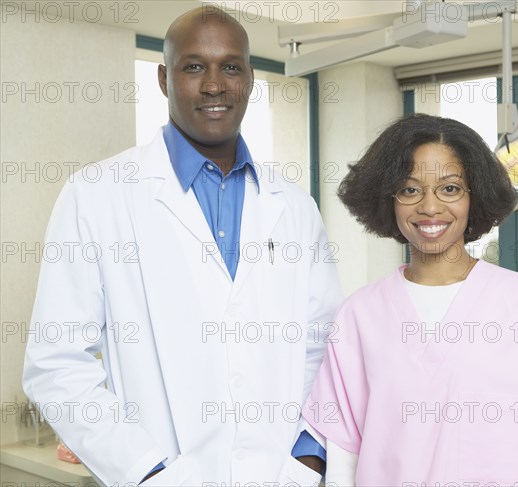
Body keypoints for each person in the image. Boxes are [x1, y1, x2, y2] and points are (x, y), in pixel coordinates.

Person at [22, 7, 342, 486]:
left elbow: (325, 346)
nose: (214, 85)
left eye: (231, 67)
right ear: (162, 78)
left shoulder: (294, 207)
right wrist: (146, 471)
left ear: (251, 79)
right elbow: (56, 363)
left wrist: (308, 456)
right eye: (194, 66)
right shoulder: (96, 195)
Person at [302, 114, 518, 486]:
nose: (429, 207)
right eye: (410, 190)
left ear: (474, 195)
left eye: (450, 189)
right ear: (388, 198)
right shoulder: (359, 317)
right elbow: (346, 457)